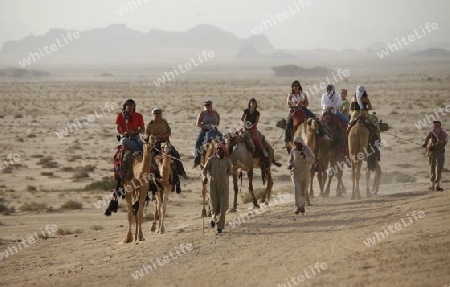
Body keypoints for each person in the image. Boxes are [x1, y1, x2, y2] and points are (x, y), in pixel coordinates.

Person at [146, 108, 188, 193]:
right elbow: (148, 134)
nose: (157, 114)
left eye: (159, 113)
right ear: (153, 114)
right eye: (156, 113)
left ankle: (181, 172)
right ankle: (149, 179)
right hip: (154, 144)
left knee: (175, 154)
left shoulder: (164, 122)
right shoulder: (150, 124)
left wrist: (163, 136)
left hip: (165, 143)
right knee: (150, 158)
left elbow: (169, 132)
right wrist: (154, 138)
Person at [201, 143, 232, 233]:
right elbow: (204, 170)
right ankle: (214, 218)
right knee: (214, 206)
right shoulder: (211, 159)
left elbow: (230, 171)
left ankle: (220, 226)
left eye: (220, 149)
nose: (219, 151)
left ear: (224, 150)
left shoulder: (227, 160)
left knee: (223, 207)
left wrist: (224, 176)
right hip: (213, 186)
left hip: (224, 186)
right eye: (217, 149)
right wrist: (204, 177)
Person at [283, 80, 317, 148]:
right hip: (293, 111)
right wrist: (296, 105)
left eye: (297, 85)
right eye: (294, 86)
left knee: (314, 118)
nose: (296, 87)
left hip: (303, 109)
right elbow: (288, 105)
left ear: (299, 86)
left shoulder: (303, 94)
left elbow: (307, 103)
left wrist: (301, 105)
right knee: (288, 123)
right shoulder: (290, 95)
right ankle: (286, 141)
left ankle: (319, 135)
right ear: (292, 87)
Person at [287, 136, 315, 214]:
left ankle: (302, 205)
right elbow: (290, 160)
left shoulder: (307, 150)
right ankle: (297, 206)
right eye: (295, 143)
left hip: (305, 173)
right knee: (296, 188)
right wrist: (289, 164)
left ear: (301, 143)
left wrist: (305, 157)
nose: (296, 145)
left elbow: (313, 160)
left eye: (297, 143)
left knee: (303, 191)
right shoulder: (293, 150)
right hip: (295, 173)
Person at [193, 100, 223, 168]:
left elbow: (218, 123)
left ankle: (227, 159)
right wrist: (206, 126)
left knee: (223, 140)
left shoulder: (216, 113)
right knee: (198, 142)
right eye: (205, 105)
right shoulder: (202, 113)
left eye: (208, 105)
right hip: (204, 130)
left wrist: (213, 126)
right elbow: (197, 124)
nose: (207, 107)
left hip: (214, 130)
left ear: (211, 106)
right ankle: (197, 161)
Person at [422, 121, 447, 191]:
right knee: (439, 169)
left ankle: (432, 185)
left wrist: (425, 145)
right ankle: (437, 185)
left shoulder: (431, 132)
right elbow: (444, 143)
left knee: (432, 167)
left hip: (432, 153)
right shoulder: (443, 134)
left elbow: (426, 140)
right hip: (440, 153)